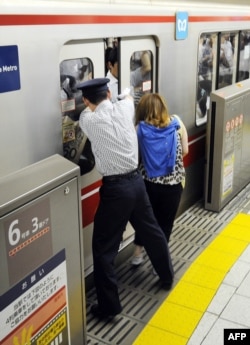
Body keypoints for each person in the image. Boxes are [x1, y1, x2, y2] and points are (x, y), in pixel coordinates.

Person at [77, 78, 174, 319]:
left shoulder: (88, 119)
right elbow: (129, 99)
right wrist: (123, 96)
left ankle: (109, 308)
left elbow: (84, 117)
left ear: (87, 100)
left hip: (115, 190)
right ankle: (167, 276)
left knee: (103, 249)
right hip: (136, 184)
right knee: (152, 231)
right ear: (109, 93)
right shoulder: (126, 108)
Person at [131, 93, 189, 266]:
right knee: (164, 224)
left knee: (146, 220)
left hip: (148, 185)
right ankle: (159, 266)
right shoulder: (177, 123)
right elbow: (185, 150)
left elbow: (136, 159)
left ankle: (137, 254)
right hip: (174, 186)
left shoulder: (139, 129)